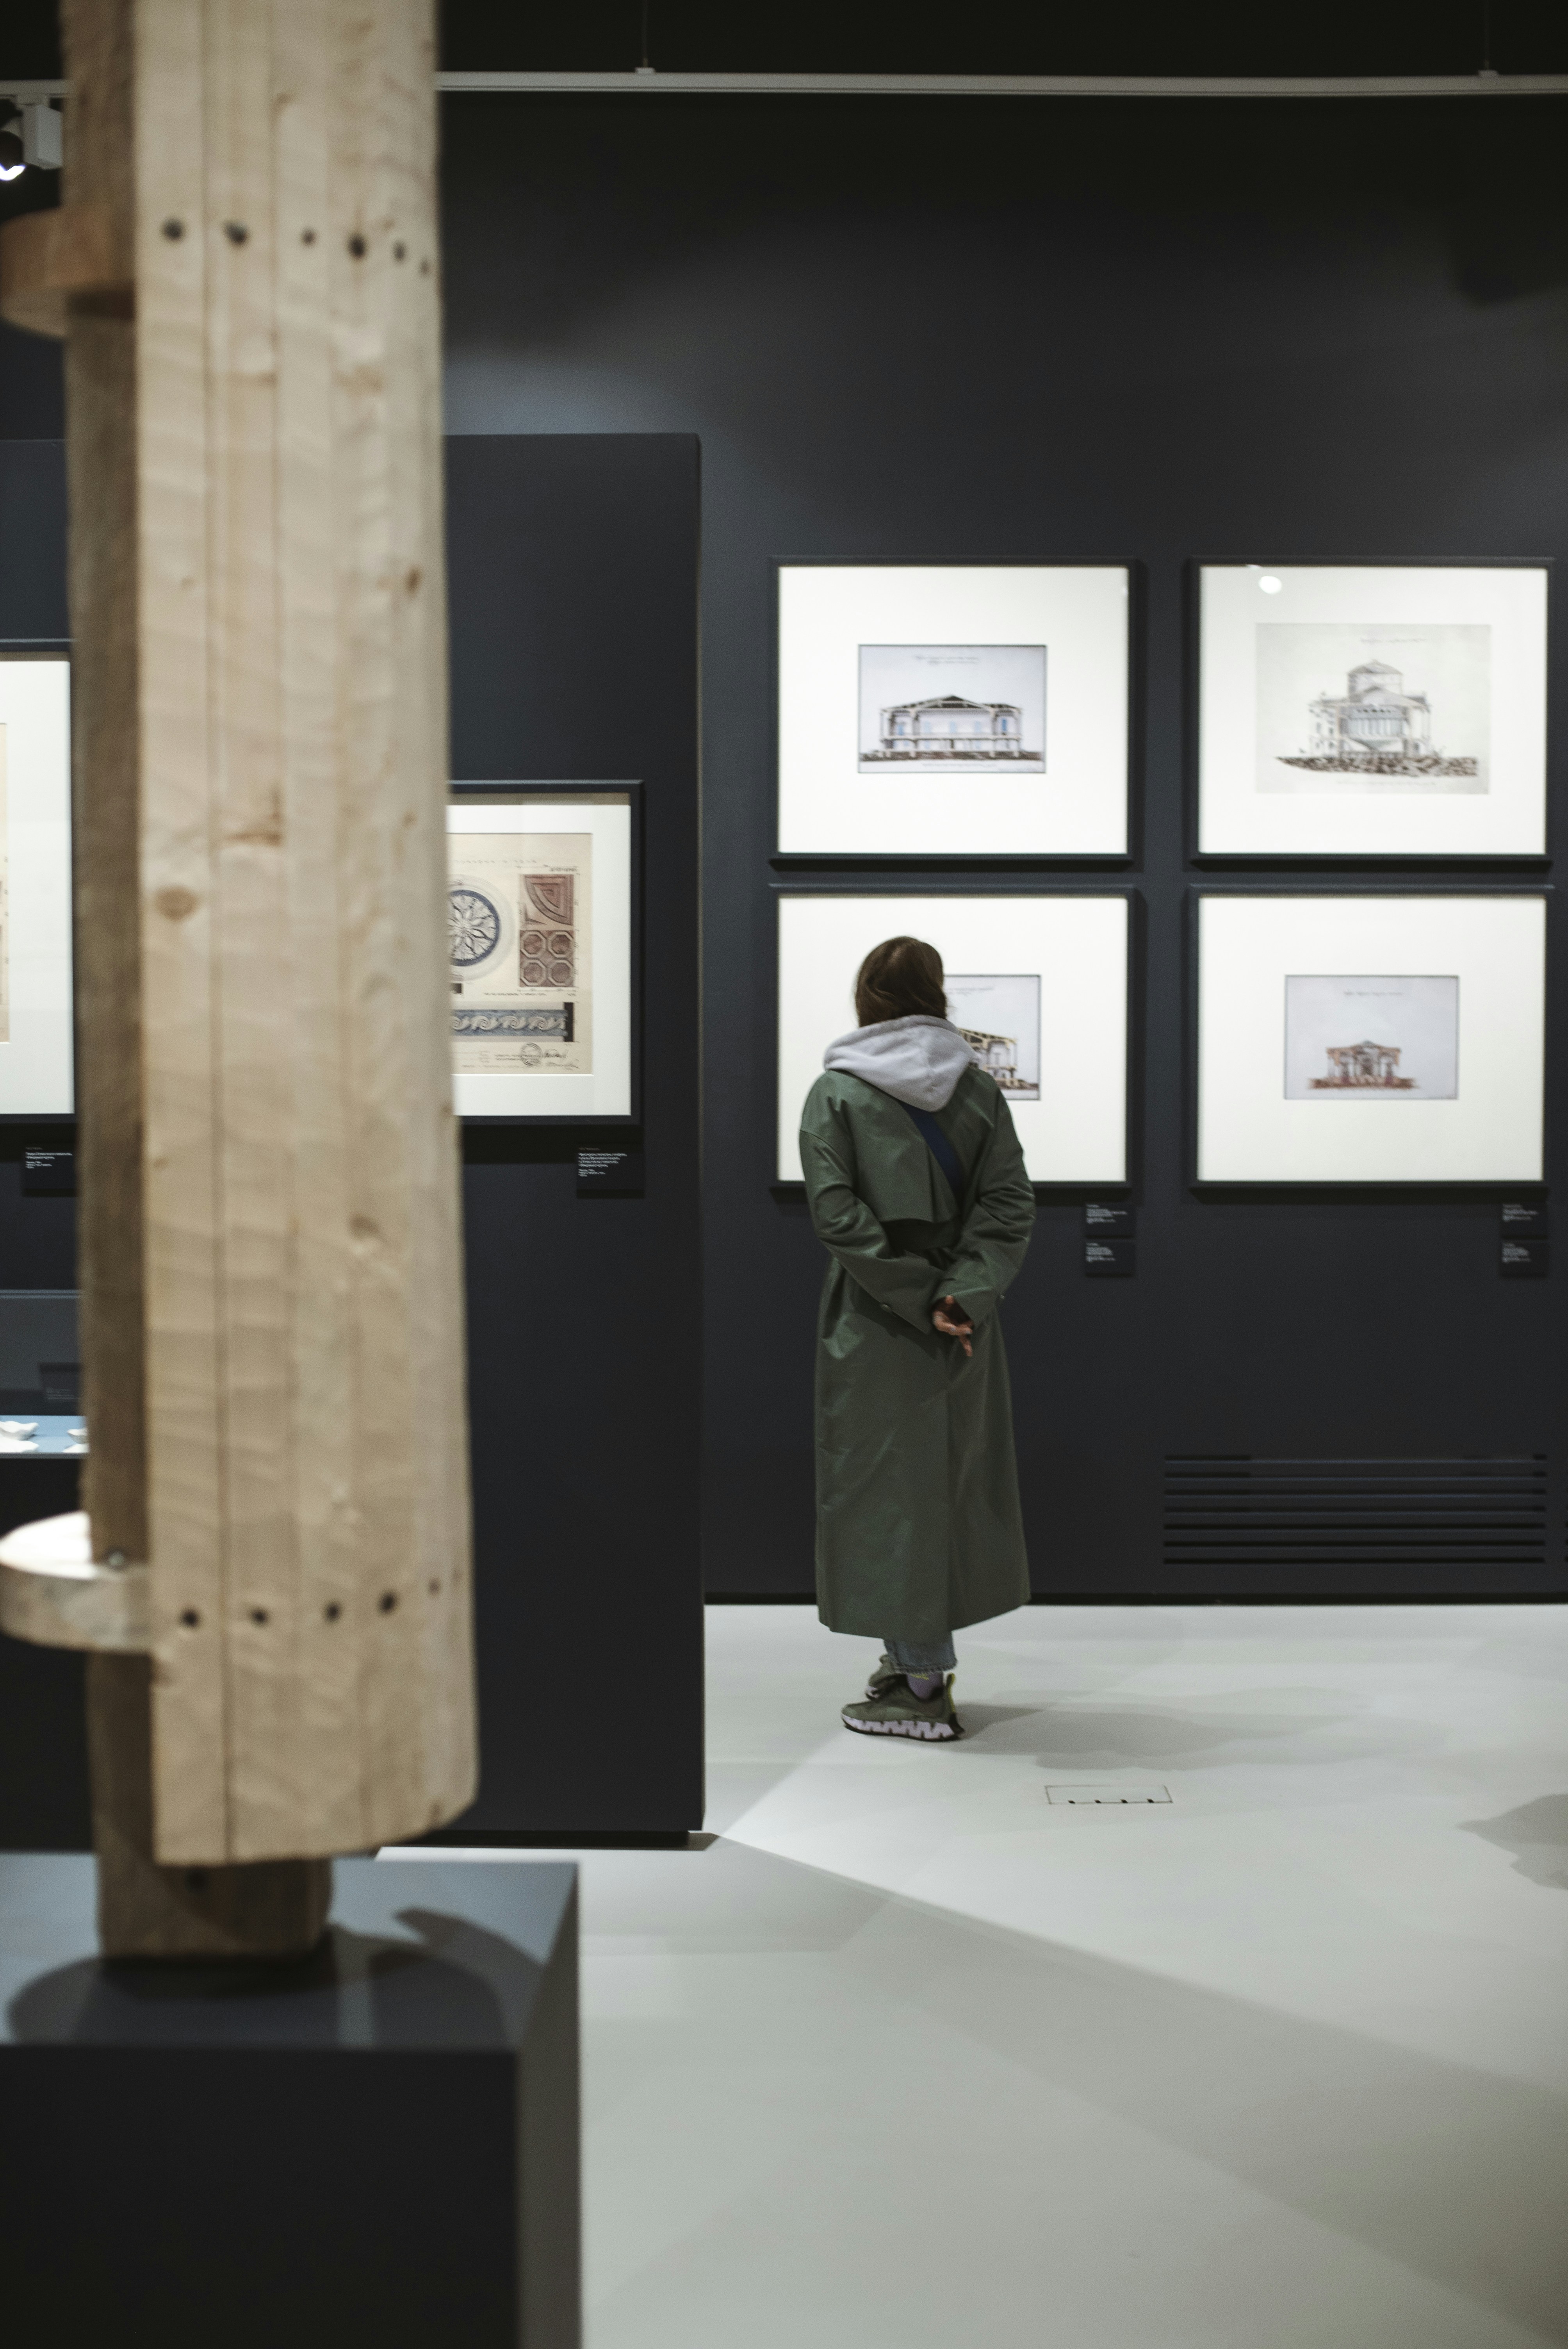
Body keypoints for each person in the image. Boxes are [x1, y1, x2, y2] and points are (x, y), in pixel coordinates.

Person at [798, 935, 1035, 1741]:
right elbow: (1008, 1206)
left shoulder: (836, 1091)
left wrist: (910, 1296)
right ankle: (910, 1658)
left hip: (874, 1319)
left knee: (883, 1493)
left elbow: (837, 1216)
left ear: (864, 996)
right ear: (938, 996)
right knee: (942, 1487)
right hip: (962, 1323)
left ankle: (923, 1684)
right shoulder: (977, 1092)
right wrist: (960, 1295)